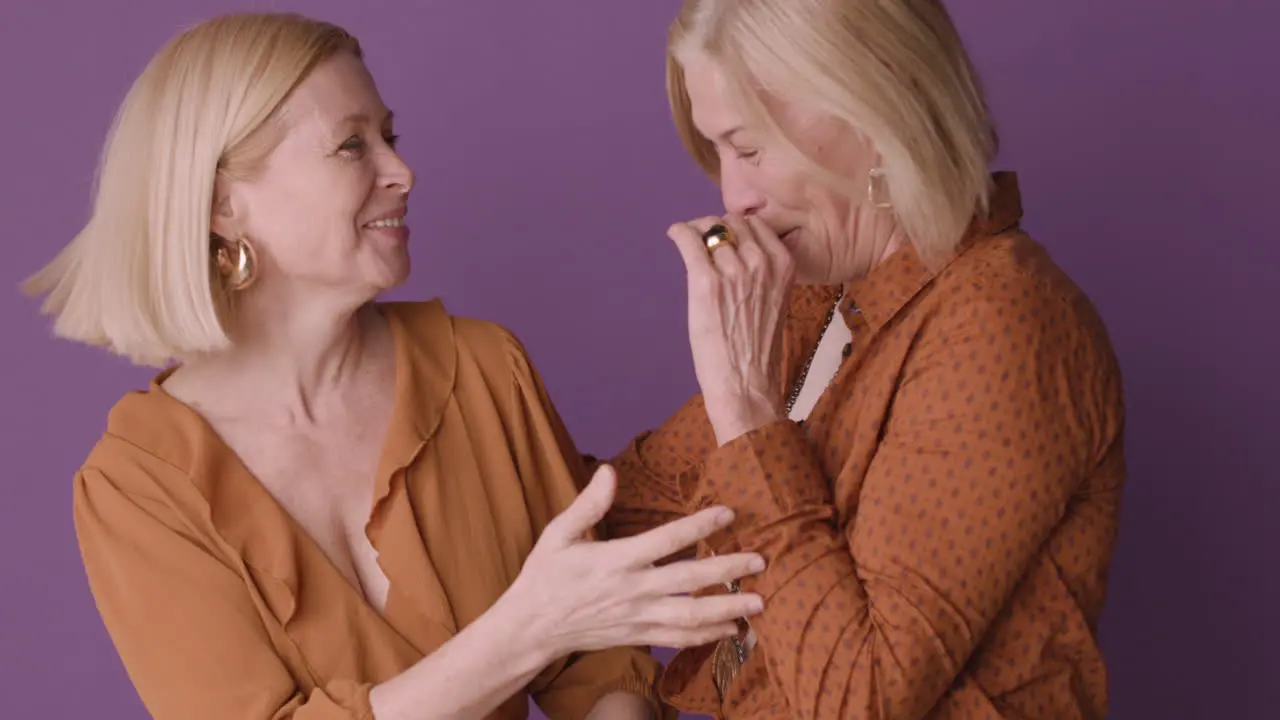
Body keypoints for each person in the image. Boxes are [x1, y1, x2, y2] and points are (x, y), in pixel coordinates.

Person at [21, 13, 769, 720]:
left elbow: (601, 661)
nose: (403, 171)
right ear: (224, 204)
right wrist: (521, 633)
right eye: (353, 145)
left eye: (390, 136)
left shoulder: (482, 368)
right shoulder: (138, 484)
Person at [596, 1, 1128, 718]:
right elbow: (624, 516)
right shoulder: (825, 303)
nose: (732, 197)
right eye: (716, 153)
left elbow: (860, 698)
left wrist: (744, 407)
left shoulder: (1005, 322)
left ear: (877, 117)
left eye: (748, 149)